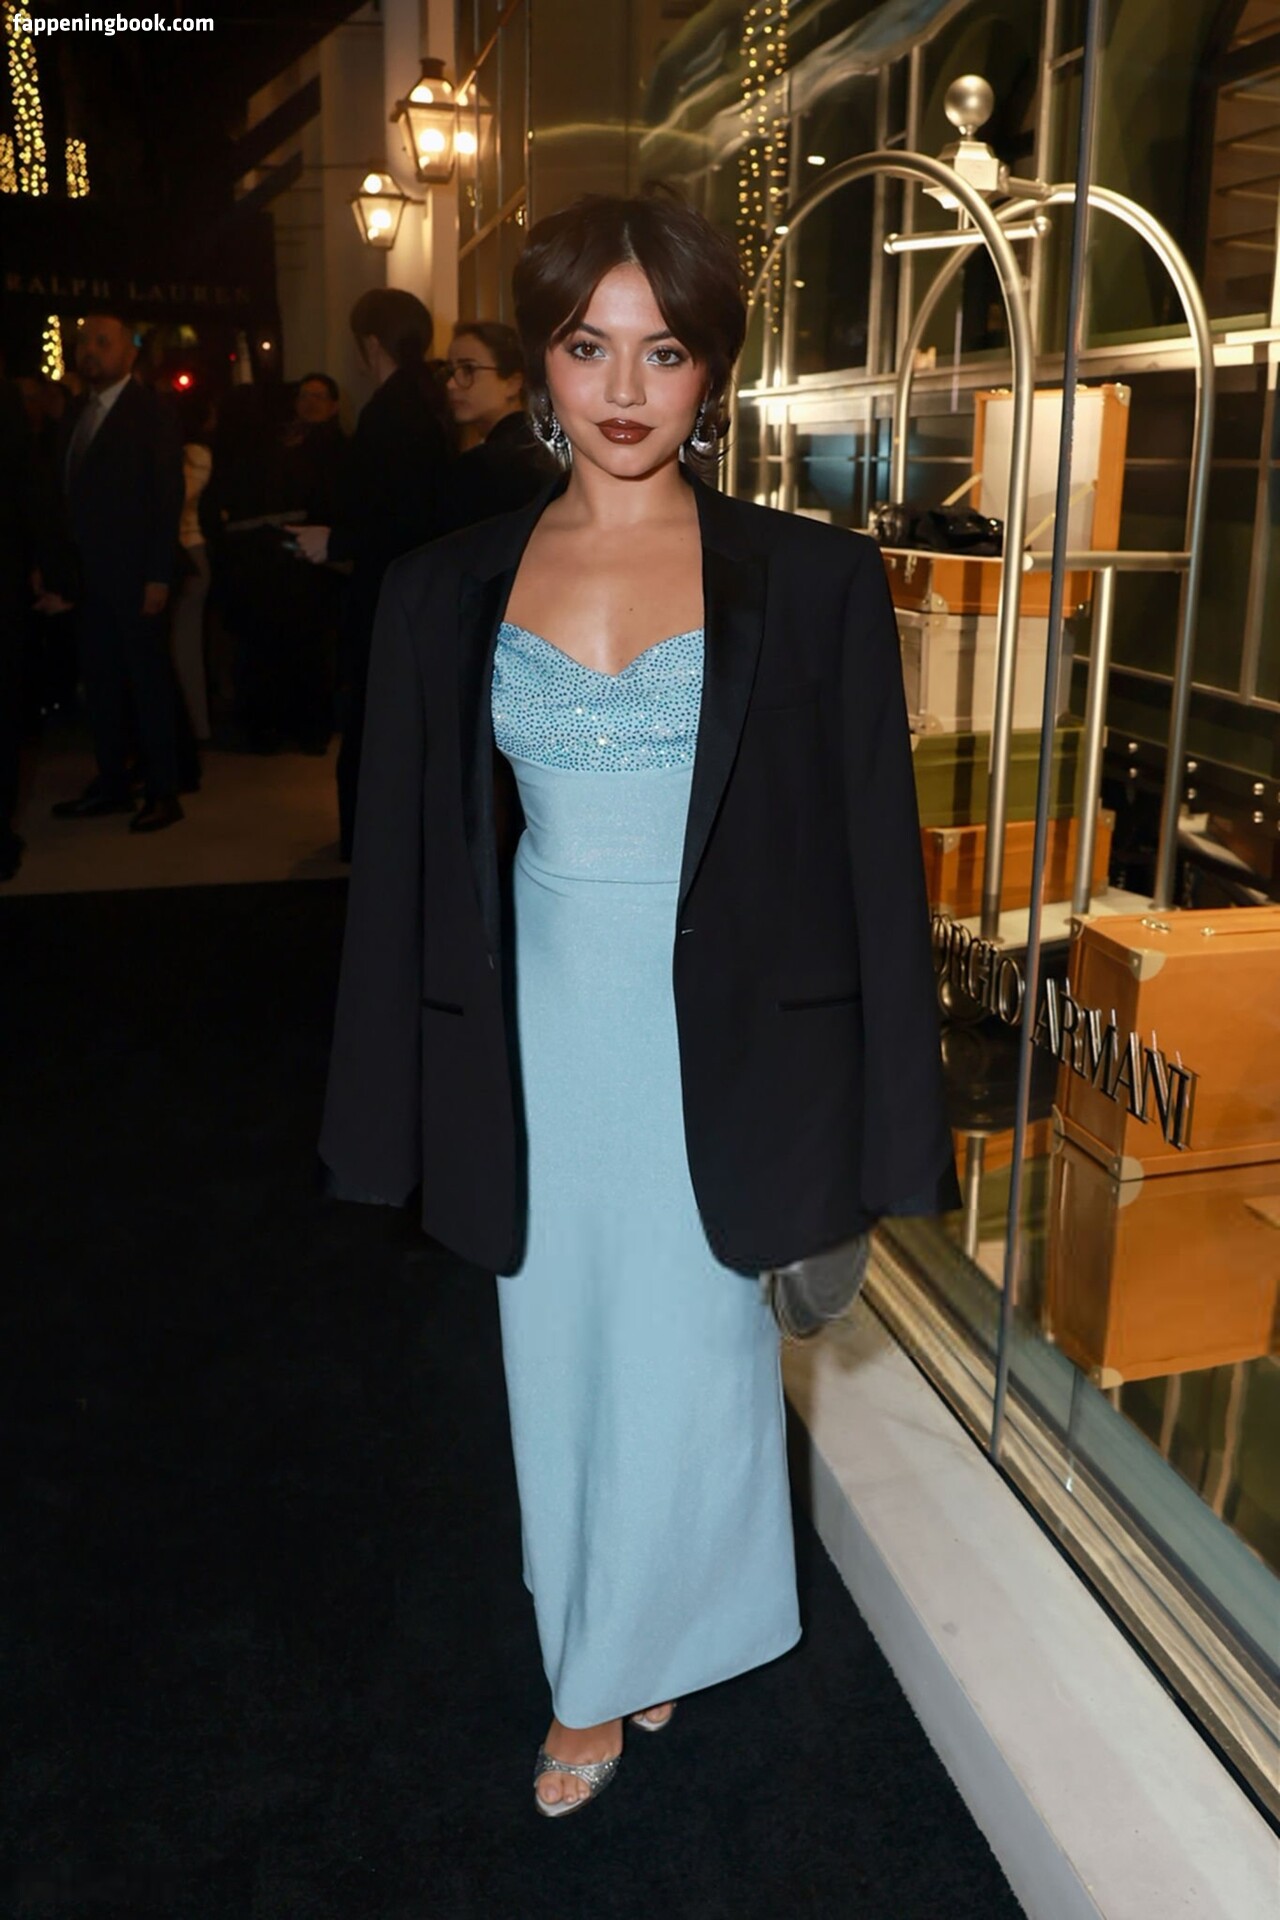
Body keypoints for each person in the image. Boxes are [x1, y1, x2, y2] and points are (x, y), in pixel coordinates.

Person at [319, 192, 959, 1817]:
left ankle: (612, 1660)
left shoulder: (812, 579)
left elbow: (875, 868)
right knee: (558, 1352)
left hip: (732, 1040)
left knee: (695, 1353)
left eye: (662, 352)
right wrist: (382, 1115)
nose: (623, 389)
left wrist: (890, 1134)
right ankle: (616, 1634)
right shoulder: (445, 586)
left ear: (712, 370)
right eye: (587, 347)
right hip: (537, 1032)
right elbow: (404, 871)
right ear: (539, 361)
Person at [288, 291, 455, 857]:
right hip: (409, 592)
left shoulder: (392, 411)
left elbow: (401, 516)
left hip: (389, 593)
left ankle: (372, 850)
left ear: (371, 344)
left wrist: (337, 540)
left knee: (375, 723)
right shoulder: (420, 401)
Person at [40, 310, 185, 833]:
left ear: (129, 353)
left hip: (135, 573)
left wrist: (158, 574)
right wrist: (56, 570)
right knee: (99, 684)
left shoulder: (150, 411)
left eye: (103, 342)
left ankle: (164, 791)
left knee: (147, 683)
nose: (90, 351)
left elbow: (167, 496)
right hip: (89, 576)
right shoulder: (79, 411)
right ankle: (112, 783)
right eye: (85, 342)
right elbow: (67, 496)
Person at [435, 321, 558, 534]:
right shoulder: (543, 447)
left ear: (513, 382)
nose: (451, 384)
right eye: (450, 371)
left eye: (468, 369)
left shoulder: (483, 467)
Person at [171, 389, 215, 742]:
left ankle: (193, 726)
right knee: (183, 644)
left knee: (184, 644)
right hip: (185, 547)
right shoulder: (190, 454)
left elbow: (180, 498)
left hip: (187, 547)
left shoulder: (194, 455)